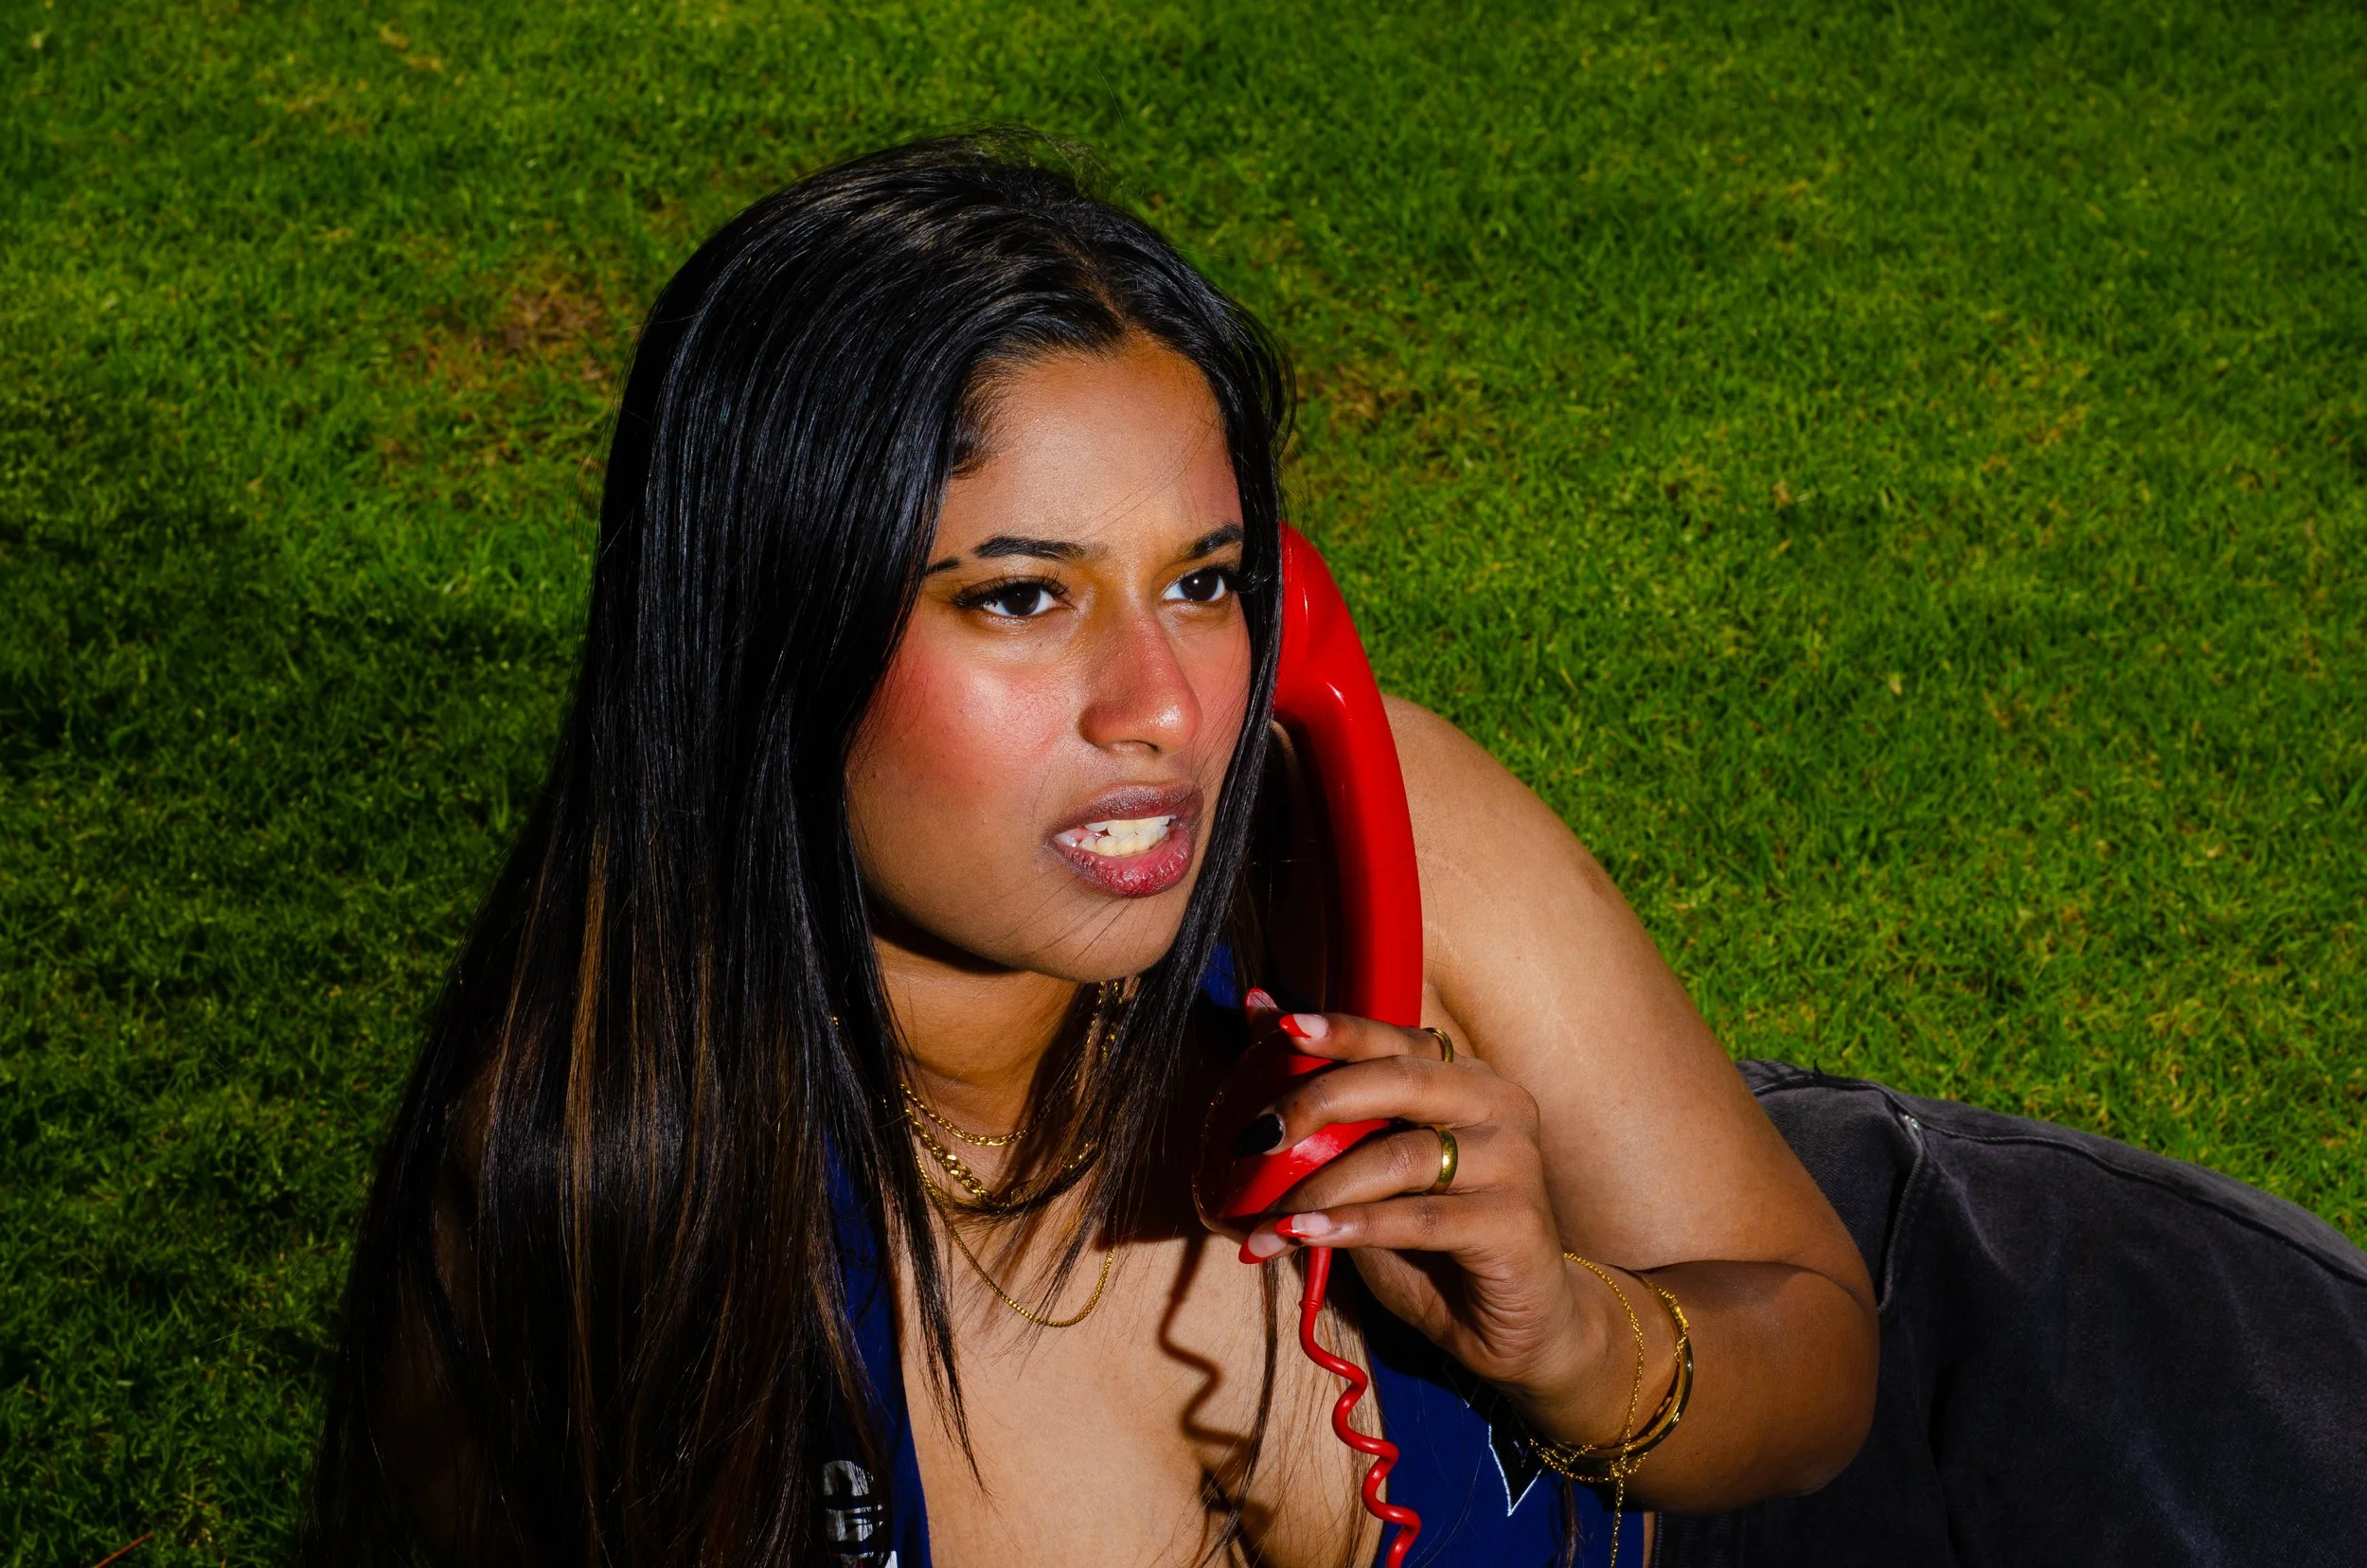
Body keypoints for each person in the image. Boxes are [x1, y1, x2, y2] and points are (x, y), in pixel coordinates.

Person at [305, 134, 2367, 1568]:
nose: (1162, 707)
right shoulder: (577, 1256)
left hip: (2016, 1378)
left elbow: (1816, 1364)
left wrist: (1566, 1328)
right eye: (1018, 597)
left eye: (1202, 582)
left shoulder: (1372, 835)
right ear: (767, 632)